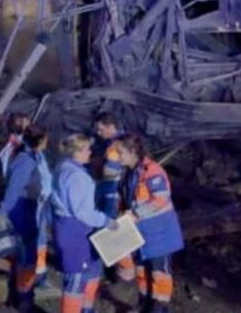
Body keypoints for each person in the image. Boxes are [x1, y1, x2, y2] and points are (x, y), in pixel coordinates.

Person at [116, 134, 184, 313]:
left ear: (132, 152)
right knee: (141, 271)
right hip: (140, 233)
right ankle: (144, 306)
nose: (117, 156)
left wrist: (135, 213)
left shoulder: (152, 171)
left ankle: (159, 309)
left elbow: (160, 198)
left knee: (159, 274)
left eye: (120, 152)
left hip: (159, 233)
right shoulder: (129, 172)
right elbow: (127, 198)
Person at [51, 133, 115, 313]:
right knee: (77, 279)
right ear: (77, 152)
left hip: (68, 228)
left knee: (91, 272)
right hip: (76, 231)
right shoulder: (77, 176)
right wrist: (106, 221)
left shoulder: (63, 167)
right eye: (87, 149)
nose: (90, 152)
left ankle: (87, 310)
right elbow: (83, 212)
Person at [0, 125, 50, 312]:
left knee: (22, 257)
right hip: (23, 210)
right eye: (46, 138)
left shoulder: (31, 157)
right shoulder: (25, 161)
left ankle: (17, 297)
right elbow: (14, 189)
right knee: (26, 258)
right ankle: (24, 300)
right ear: (39, 140)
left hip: (28, 208)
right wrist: (3, 212)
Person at [90, 111, 134, 282]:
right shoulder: (124, 140)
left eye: (101, 129)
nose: (98, 133)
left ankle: (123, 270)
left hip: (112, 193)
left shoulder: (115, 148)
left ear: (111, 127)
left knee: (110, 229)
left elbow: (110, 172)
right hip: (117, 192)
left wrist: (96, 169)